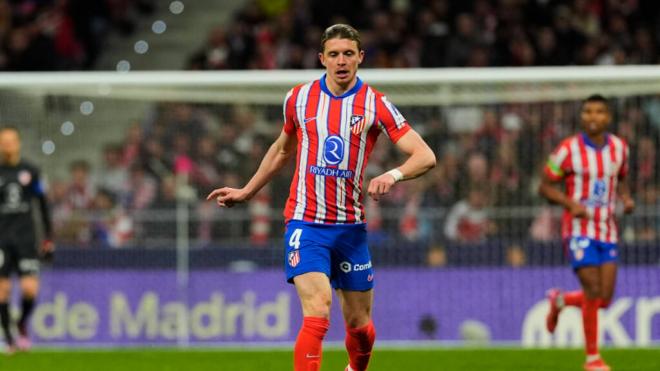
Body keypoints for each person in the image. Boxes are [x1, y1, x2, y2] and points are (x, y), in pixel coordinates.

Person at [207, 24, 436, 371]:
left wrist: (393, 174)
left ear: (360, 57)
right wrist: (247, 190)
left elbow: (425, 156)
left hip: (350, 228)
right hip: (305, 223)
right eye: (333, 54)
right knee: (318, 309)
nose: (341, 61)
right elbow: (282, 150)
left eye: (348, 54)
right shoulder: (298, 98)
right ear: (322, 59)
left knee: (360, 327)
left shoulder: (376, 104)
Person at [539, 94, 634, 371]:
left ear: (608, 117)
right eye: (588, 111)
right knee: (592, 289)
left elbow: (622, 178)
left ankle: (561, 300)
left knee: (604, 298)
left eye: (599, 112)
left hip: (607, 229)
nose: (593, 117)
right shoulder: (567, 150)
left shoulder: (620, 148)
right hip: (579, 229)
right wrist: (570, 204)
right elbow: (544, 186)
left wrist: (626, 199)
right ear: (582, 117)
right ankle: (593, 358)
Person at [0, 127, 54, 354]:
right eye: (4, 141)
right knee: (1, 290)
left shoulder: (31, 171)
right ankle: (10, 338)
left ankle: (21, 323)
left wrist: (48, 237)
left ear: (19, 143)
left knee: (30, 289)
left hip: (25, 238)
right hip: (1, 239)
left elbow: (42, 205)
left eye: (12, 140)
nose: (8, 145)